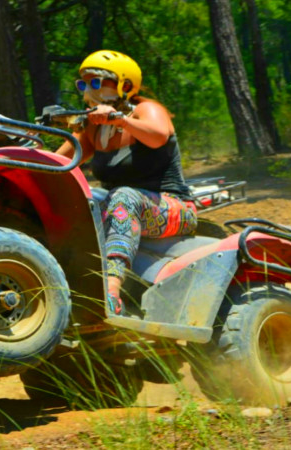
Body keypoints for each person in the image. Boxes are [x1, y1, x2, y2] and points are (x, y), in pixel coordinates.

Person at [55, 50, 198, 317]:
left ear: (125, 85)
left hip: (173, 206)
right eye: (83, 84)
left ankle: (110, 292)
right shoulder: (93, 127)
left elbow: (158, 136)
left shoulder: (147, 110)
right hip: (124, 204)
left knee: (123, 196)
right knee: (79, 197)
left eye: (96, 82)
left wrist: (120, 119)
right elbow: (60, 159)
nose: (88, 90)